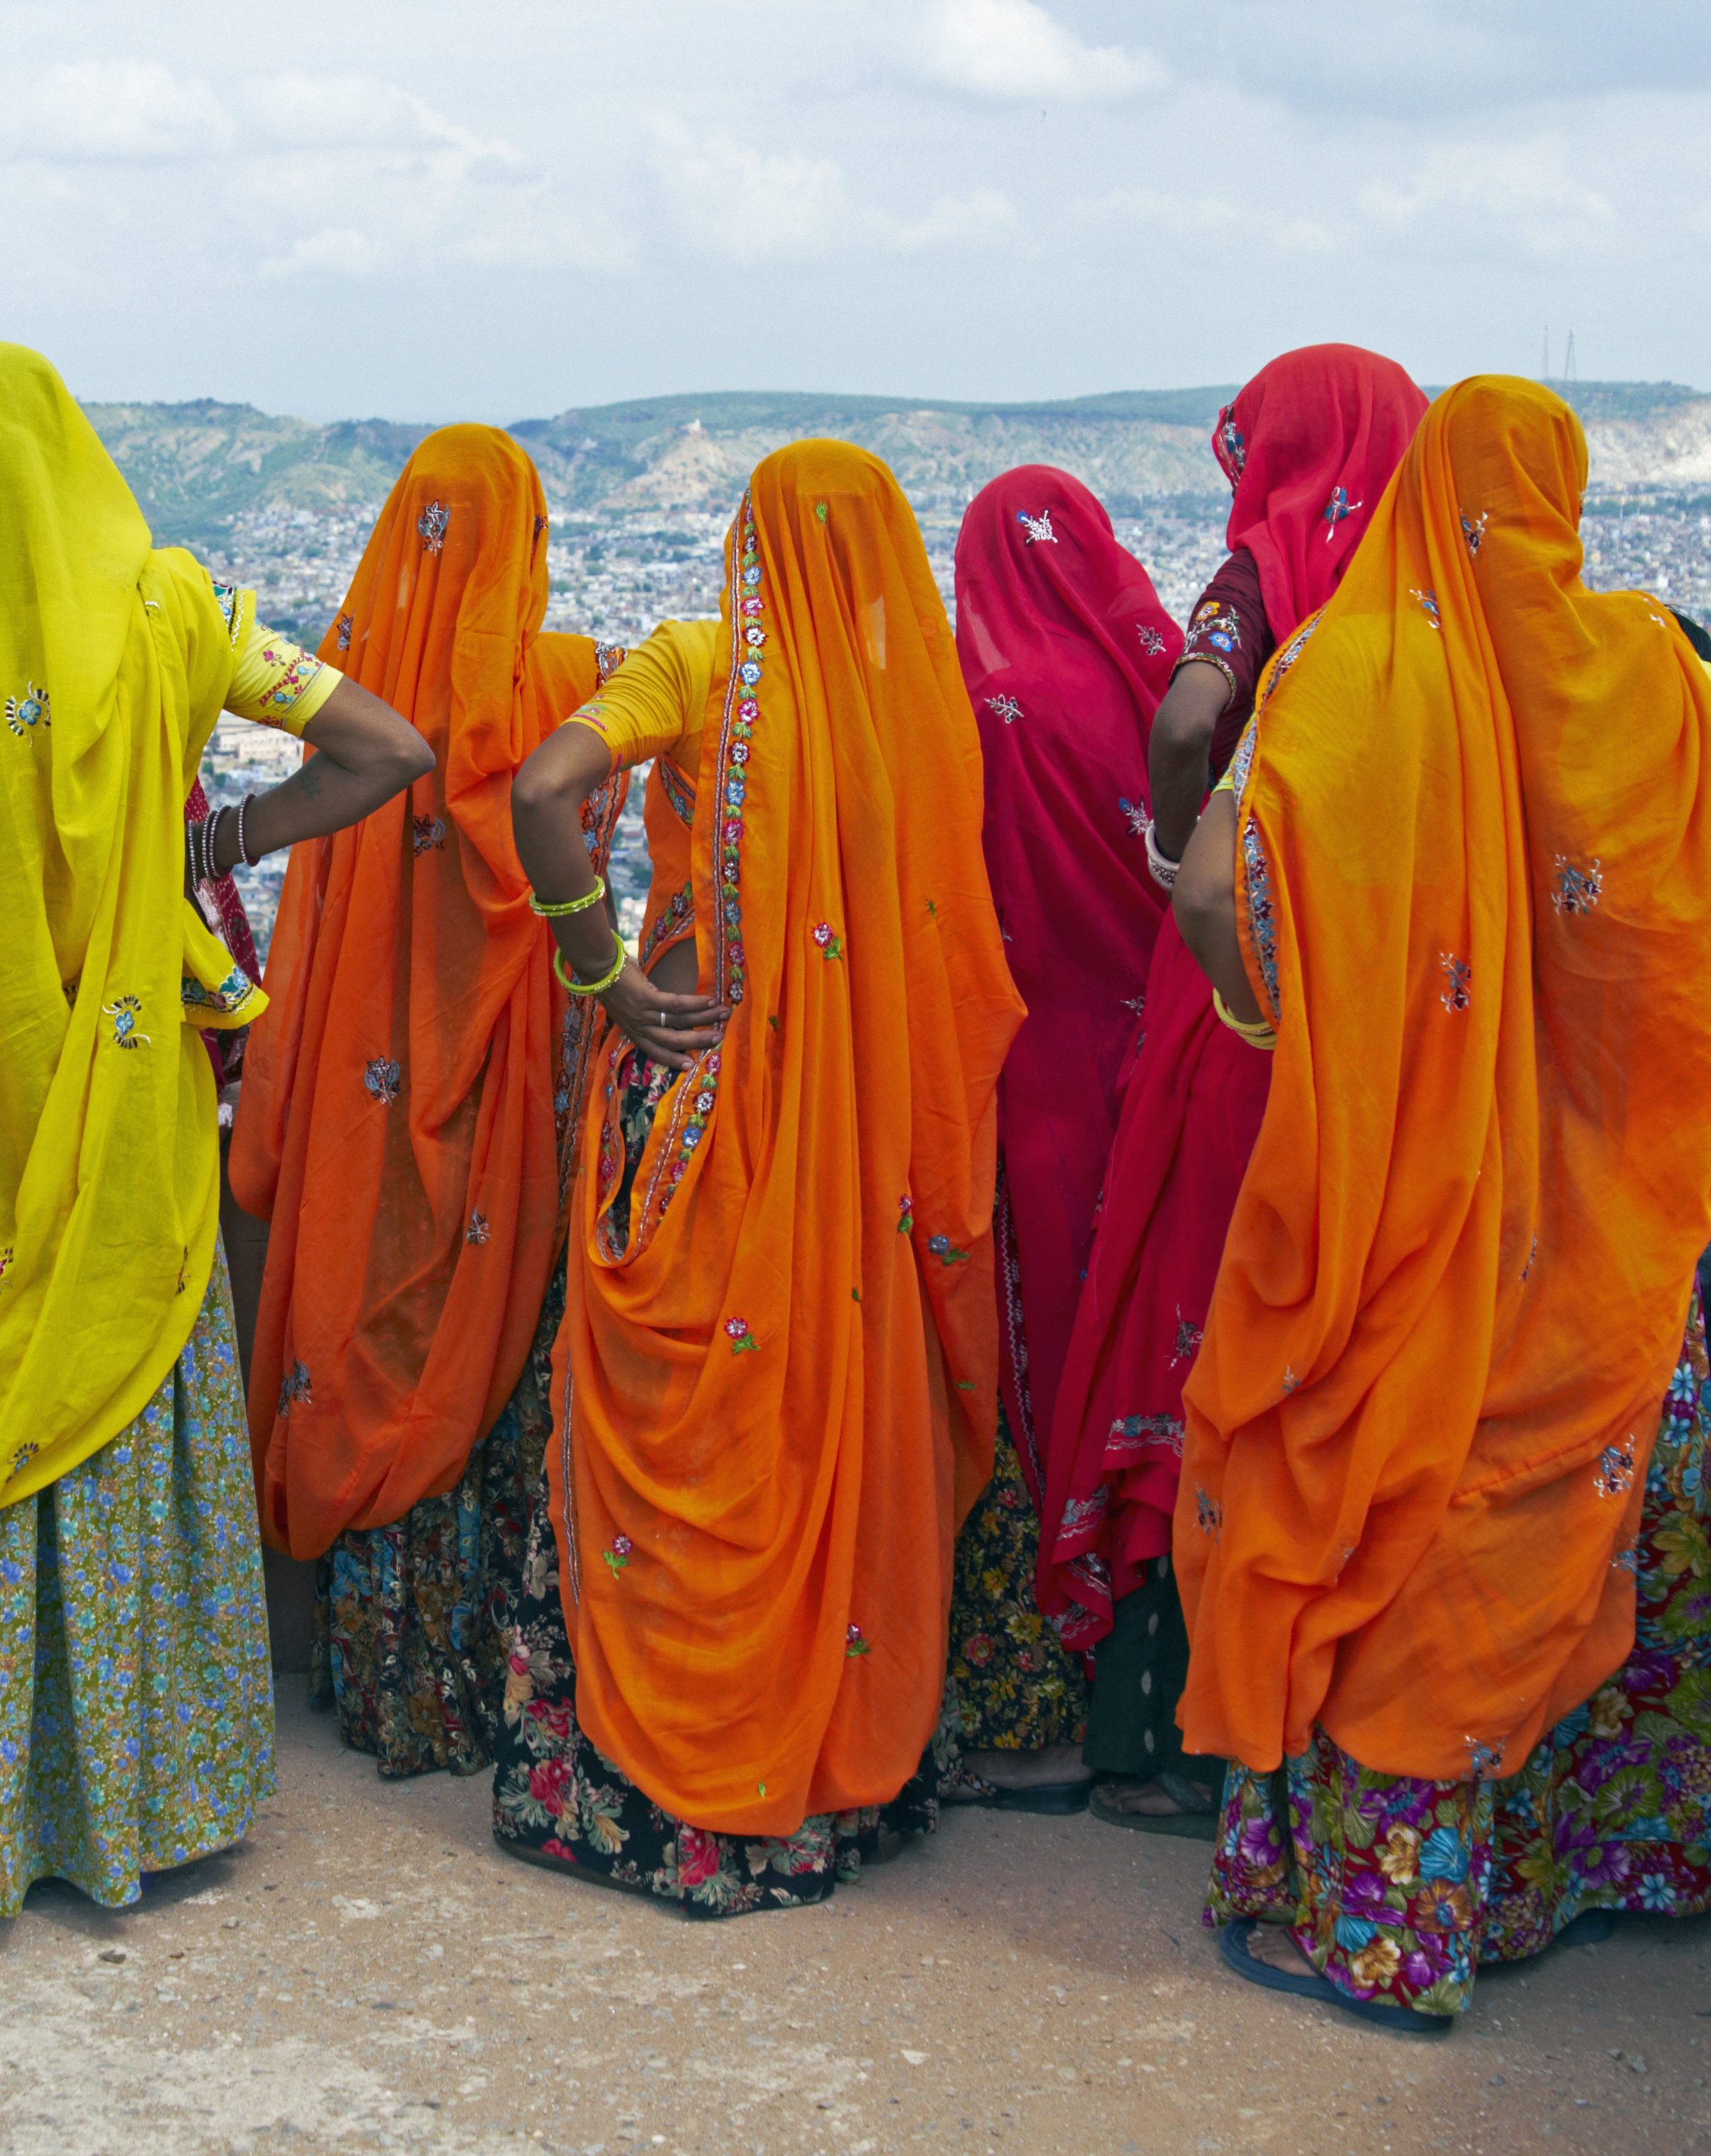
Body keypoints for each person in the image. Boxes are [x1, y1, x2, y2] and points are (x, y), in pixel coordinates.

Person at [1170, 375, 1711, 2033]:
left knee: (1395, 1524)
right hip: (1609, 1209)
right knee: (1579, 1512)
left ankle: (1381, 1914)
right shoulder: (1658, 673)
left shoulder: (1340, 669)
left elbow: (1210, 886)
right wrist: (1668, 993)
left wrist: (1294, 1027)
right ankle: (1586, 1867)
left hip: (1412, 1205)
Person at [0, 344, 435, 1927]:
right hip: (113, 1111)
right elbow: (387, 751)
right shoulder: (165, 608)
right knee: (108, 1400)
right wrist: (209, 836)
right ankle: (132, 1792)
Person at [496, 440, 1021, 1915]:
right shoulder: (912, 707)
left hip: (698, 1112)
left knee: (676, 1433)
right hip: (852, 1144)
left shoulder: (696, 659)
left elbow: (545, 785)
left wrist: (598, 966)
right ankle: (810, 1790)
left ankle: (642, 1792)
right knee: (812, 1428)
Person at [1039, 344, 1428, 1836]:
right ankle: (1300, 1724)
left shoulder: (1263, 574)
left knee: (1194, 1336)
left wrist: (1185, 854)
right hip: (1389, 1022)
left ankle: (1169, 1720)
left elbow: (1186, 713)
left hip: (1249, 1015)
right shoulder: (1431, 576)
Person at [229, 425, 623, 1779]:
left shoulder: (349, 688)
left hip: (358, 1082)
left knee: (357, 1323)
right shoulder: (567, 684)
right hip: (506, 1090)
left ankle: (375, 1671)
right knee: (486, 1348)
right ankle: (475, 1687)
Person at [936, 468, 1183, 1811]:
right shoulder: (1165, 694)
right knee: (1147, 1368)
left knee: (1030, 1371)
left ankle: (1040, 1690)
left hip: (1021, 1077)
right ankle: (1150, 1724)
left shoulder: (976, 714)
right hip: (1160, 1074)